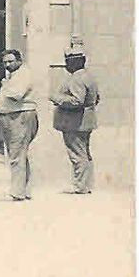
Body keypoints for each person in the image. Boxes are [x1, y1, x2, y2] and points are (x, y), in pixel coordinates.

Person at [50, 40, 101, 194]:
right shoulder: (88, 76)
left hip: (75, 122)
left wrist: (57, 98)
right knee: (84, 153)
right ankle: (86, 185)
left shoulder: (76, 78)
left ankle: (80, 186)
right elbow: (96, 98)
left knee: (77, 154)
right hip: (86, 121)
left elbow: (77, 101)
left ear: (75, 62)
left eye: (68, 61)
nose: (66, 64)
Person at [0, 47, 38, 201]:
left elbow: (16, 95)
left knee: (16, 155)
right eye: (5, 62)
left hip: (19, 116)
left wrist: (5, 85)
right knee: (19, 154)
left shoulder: (23, 74)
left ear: (19, 61)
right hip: (12, 116)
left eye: (11, 61)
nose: (7, 65)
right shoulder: (15, 75)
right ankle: (24, 189)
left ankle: (17, 192)